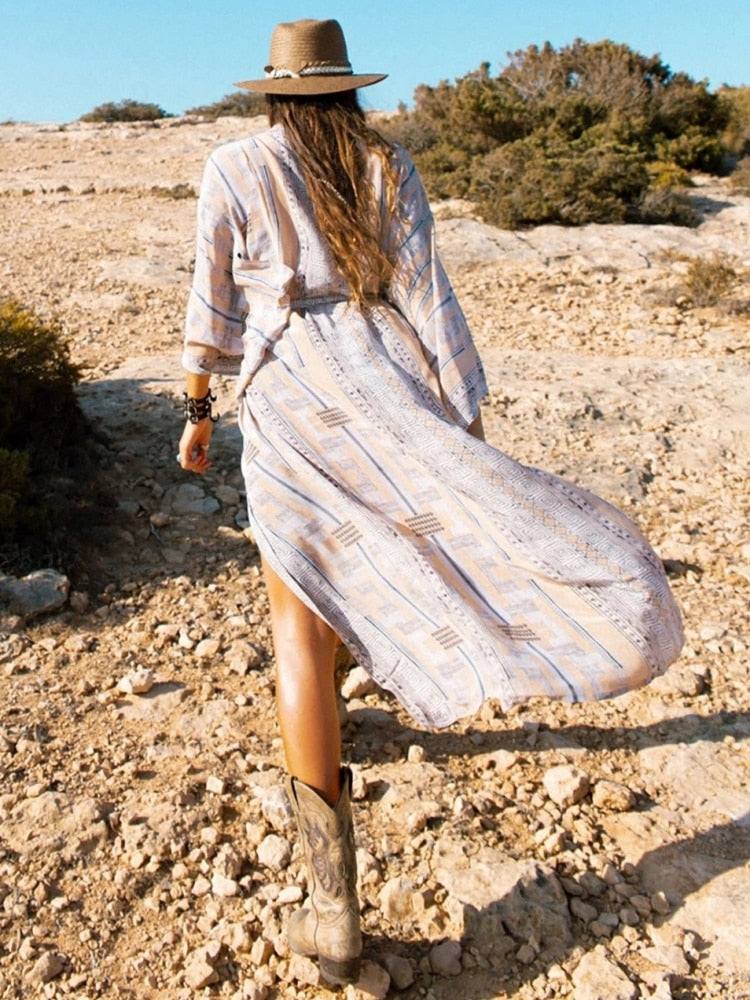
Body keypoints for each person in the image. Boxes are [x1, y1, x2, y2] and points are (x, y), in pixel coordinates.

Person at [177, 18, 683, 985]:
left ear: (273, 91)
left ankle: (332, 914)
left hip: (291, 388)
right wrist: (462, 423)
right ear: (346, 88)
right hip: (392, 368)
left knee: (297, 608)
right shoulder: (385, 163)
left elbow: (214, 299)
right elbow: (427, 292)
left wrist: (198, 406)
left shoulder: (233, 163)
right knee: (410, 542)